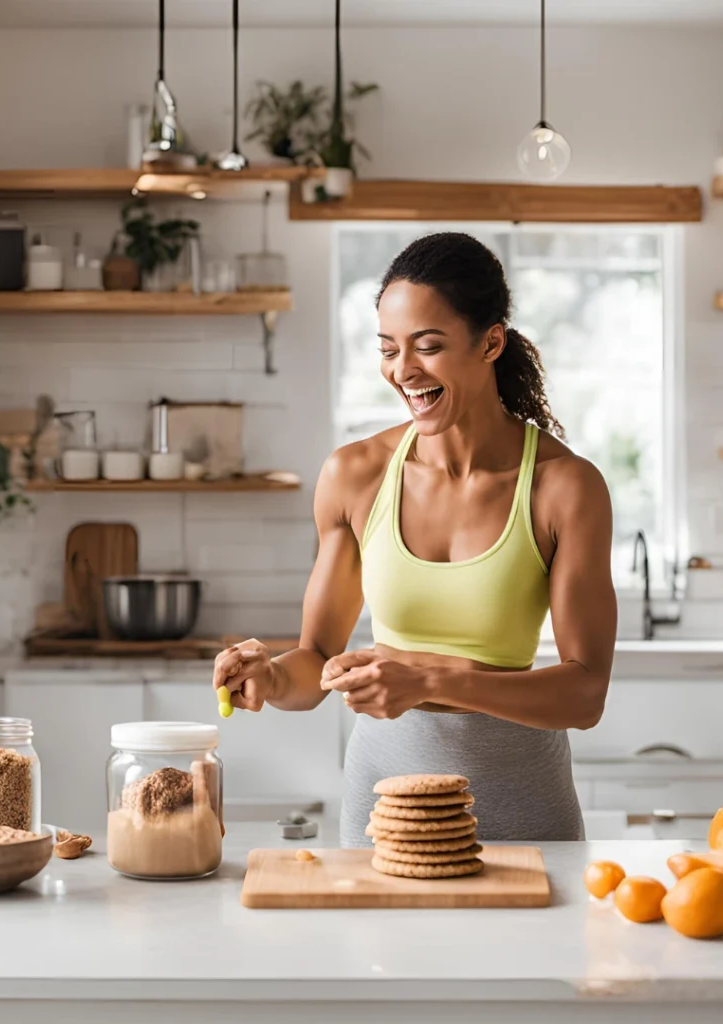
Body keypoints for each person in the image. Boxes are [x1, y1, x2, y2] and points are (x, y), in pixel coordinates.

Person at [213, 231, 617, 847]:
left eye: (428, 346)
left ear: (491, 342)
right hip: (382, 810)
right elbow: (318, 659)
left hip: (522, 807)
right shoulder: (354, 476)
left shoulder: (564, 488)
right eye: (388, 349)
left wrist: (428, 679)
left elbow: (584, 693)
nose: (403, 371)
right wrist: (268, 678)